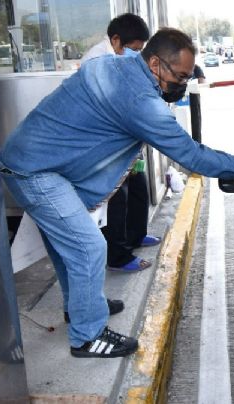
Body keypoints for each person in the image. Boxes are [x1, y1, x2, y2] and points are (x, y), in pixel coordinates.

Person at [0, 27, 234, 358]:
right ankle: (87, 336)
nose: (182, 85)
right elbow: (192, 155)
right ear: (154, 64)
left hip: (35, 162)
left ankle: (81, 306)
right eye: (179, 77)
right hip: (34, 171)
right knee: (87, 246)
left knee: (66, 244)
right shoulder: (140, 100)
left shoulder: (117, 64)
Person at [80, 14, 160, 273]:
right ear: (116, 40)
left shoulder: (116, 57)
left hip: (119, 138)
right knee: (117, 197)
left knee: (137, 186)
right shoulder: (96, 60)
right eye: (133, 49)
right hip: (101, 140)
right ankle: (118, 255)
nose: (135, 55)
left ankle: (136, 236)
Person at [81, 13, 149, 62]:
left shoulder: (118, 58)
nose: (135, 54)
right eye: (133, 50)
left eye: (138, 50)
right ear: (115, 39)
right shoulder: (97, 59)